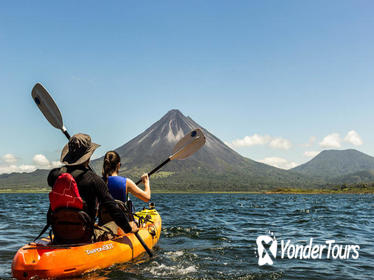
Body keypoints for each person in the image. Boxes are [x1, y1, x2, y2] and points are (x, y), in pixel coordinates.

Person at [47, 133, 137, 243]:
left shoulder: (54, 175)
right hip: (84, 235)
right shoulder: (94, 180)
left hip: (59, 234)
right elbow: (113, 208)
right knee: (113, 223)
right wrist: (128, 228)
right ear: (88, 157)